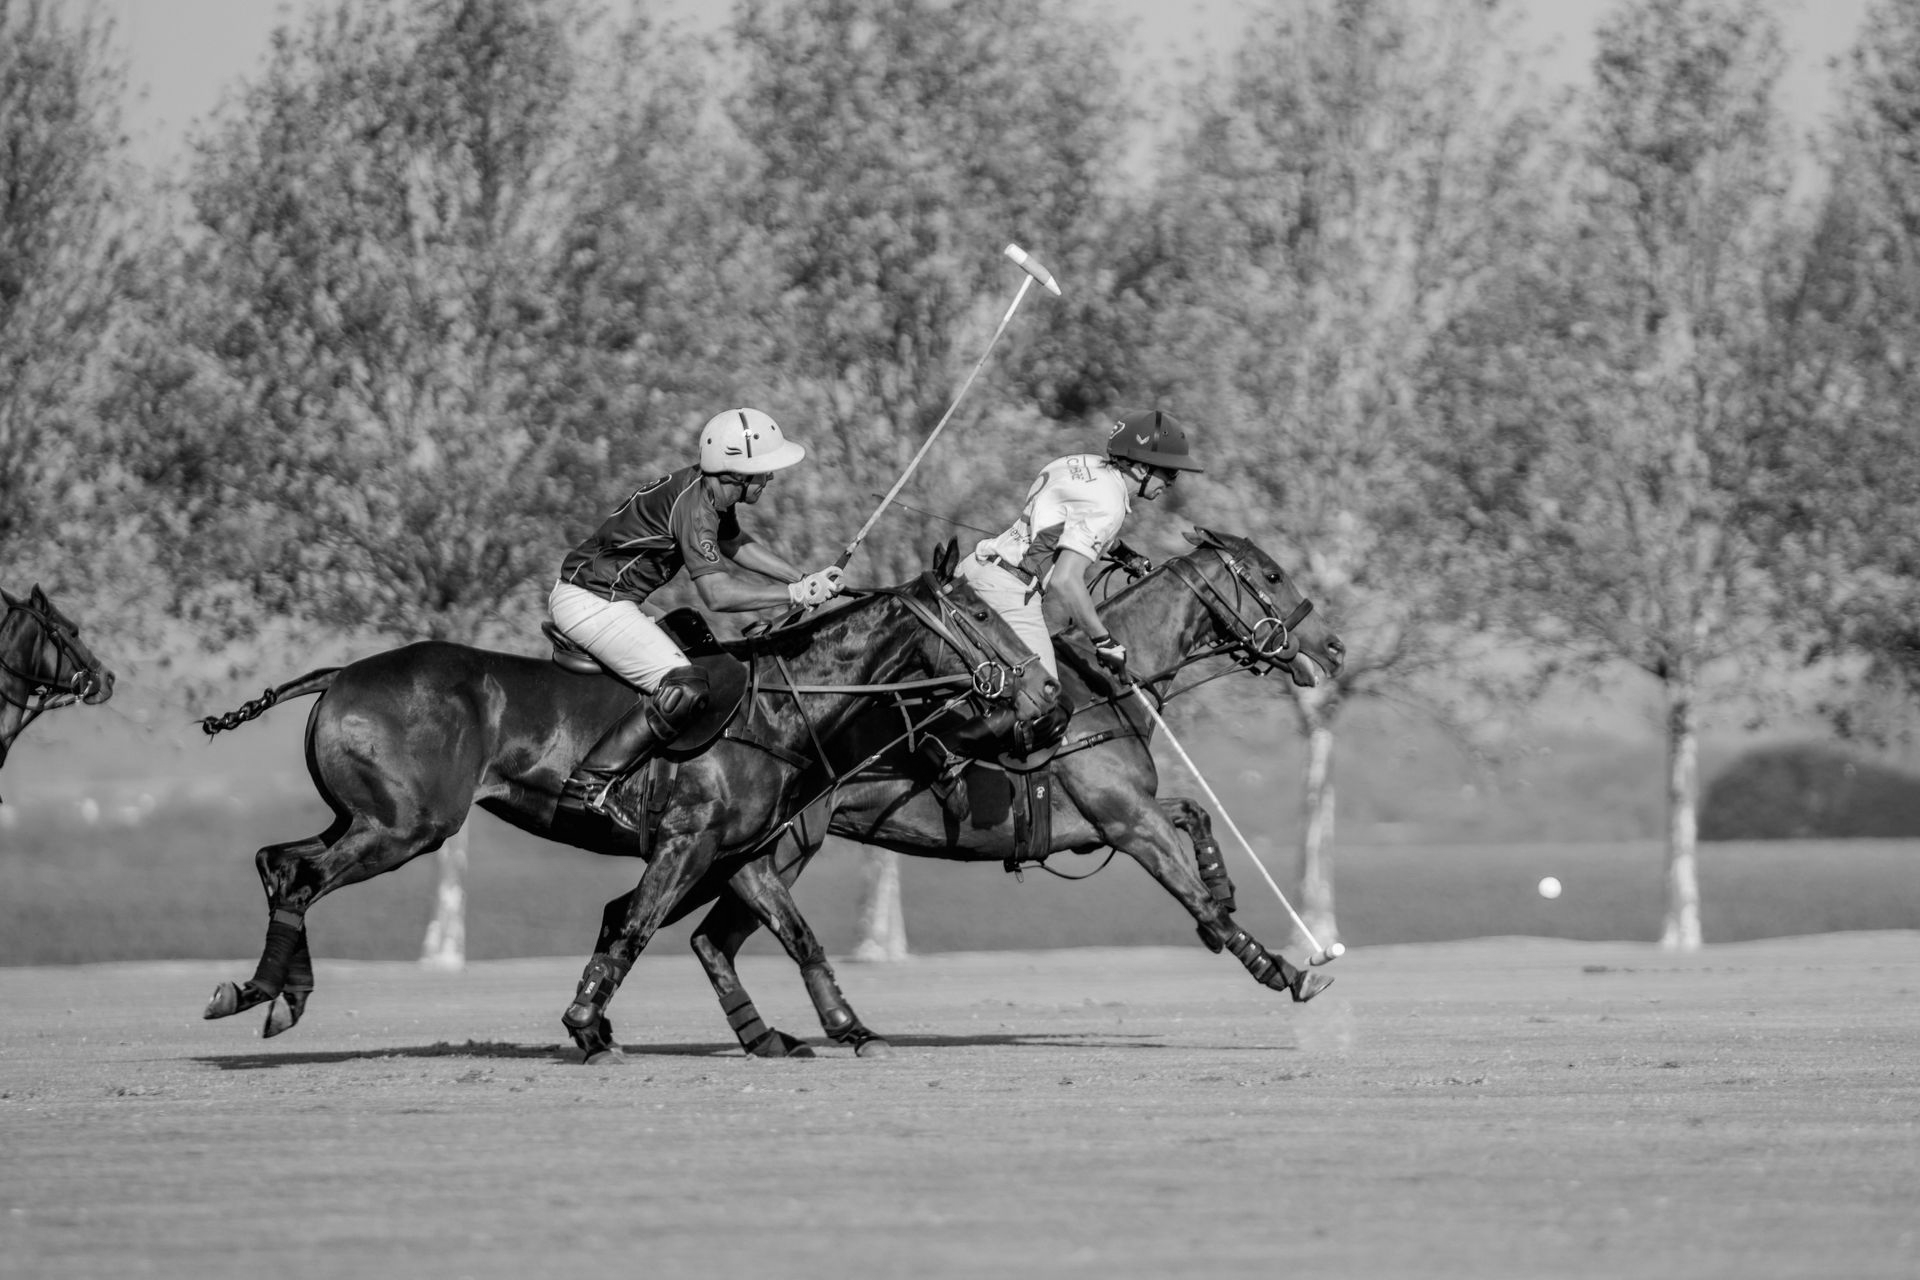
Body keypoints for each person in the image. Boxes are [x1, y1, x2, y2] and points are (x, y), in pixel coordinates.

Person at [548, 407, 844, 823]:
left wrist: (806, 577)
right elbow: (717, 594)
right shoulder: (696, 507)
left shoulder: (710, 491)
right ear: (737, 474)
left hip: (612, 598)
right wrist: (793, 594)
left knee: (696, 640)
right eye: (764, 471)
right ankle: (588, 786)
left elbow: (736, 544)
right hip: (591, 601)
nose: (770, 478)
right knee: (685, 685)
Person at [925, 408, 1203, 814]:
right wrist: (1104, 641)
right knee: (1046, 702)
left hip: (977, 569)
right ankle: (947, 753)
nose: (1171, 484)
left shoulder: (1079, 465)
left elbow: (1063, 521)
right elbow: (1067, 581)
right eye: (1169, 473)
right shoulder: (1110, 503)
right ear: (1142, 468)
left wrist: (1120, 552)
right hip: (1009, 593)